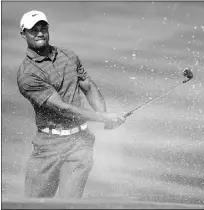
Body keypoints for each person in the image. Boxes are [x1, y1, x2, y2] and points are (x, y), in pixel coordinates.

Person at [17, 10, 125, 199]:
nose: (40, 33)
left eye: (43, 28)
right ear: (23, 34)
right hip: (48, 148)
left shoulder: (68, 55)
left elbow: (88, 86)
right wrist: (102, 118)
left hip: (80, 144)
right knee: (35, 205)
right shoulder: (27, 74)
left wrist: (105, 115)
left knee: (70, 205)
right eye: (33, 30)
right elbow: (62, 108)